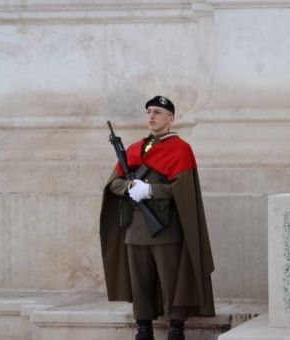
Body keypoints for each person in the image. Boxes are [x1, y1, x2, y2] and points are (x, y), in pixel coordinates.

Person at [99, 95, 215, 340]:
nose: (151, 116)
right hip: (135, 229)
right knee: (139, 282)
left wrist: (150, 190)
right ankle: (143, 329)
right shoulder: (134, 149)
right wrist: (130, 187)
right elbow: (113, 183)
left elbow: (184, 192)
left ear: (170, 119)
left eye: (158, 112)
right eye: (149, 111)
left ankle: (176, 329)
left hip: (165, 228)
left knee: (171, 280)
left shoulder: (180, 149)